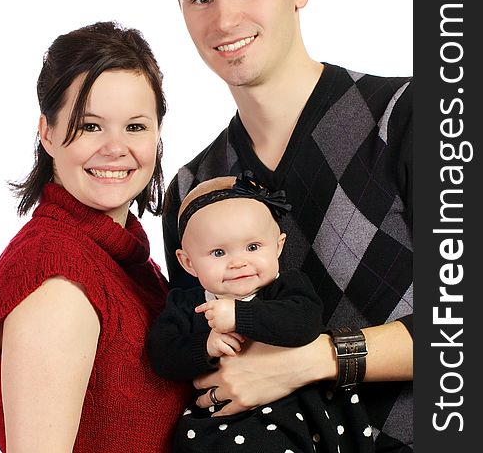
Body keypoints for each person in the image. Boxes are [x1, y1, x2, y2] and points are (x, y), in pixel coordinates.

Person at [162, 0, 413, 452]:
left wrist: (310, 361)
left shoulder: (407, 118)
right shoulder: (193, 189)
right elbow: (195, 355)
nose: (225, 20)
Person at [0, 21, 190, 453]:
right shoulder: (56, 277)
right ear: (48, 132)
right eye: (90, 126)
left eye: (135, 127)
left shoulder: (128, 263)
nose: (115, 148)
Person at [149, 171, 374, 453]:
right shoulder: (186, 304)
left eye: (253, 247)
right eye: (219, 253)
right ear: (188, 263)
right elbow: (162, 356)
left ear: (278, 246)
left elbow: (305, 325)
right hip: (223, 422)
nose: (238, 263)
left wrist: (240, 315)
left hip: (300, 411)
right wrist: (205, 346)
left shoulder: (286, 287)